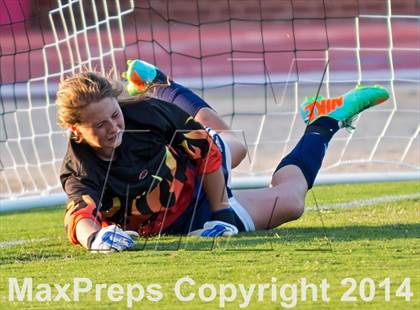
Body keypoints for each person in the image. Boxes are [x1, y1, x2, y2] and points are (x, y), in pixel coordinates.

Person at [57, 59, 389, 252]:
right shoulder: (78, 168)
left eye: (115, 115)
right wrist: (95, 238)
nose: (114, 127)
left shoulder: (145, 113)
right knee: (292, 205)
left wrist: (222, 212)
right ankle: (324, 118)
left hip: (199, 183)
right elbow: (79, 217)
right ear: (76, 131)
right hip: (171, 225)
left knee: (235, 145)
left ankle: (325, 122)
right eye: (99, 125)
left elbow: (206, 153)